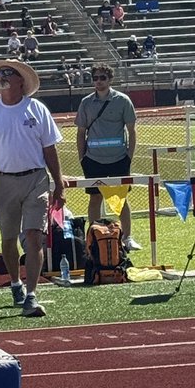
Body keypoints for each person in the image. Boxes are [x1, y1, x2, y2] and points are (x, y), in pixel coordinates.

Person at [0, 60, 65, 318]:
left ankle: (32, 295)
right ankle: (16, 283)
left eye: (7, 73)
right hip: (3, 181)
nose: (1, 77)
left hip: (35, 178)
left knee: (34, 236)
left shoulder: (36, 109)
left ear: (20, 80)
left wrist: (58, 182)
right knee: (9, 238)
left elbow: (50, 148)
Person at [76, 63, 139, 251]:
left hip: (119, 159)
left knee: (120, 201)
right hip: (93, 160)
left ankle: (127, 238)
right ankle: (94, 237)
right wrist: (82, 158)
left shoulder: (123, 100)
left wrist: (129, 157)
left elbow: (132, 131)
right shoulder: (86, 102)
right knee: (95, 198)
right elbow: (80, 132)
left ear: (110, 79)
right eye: (95, 78)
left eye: (102, 78)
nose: (98, 82)